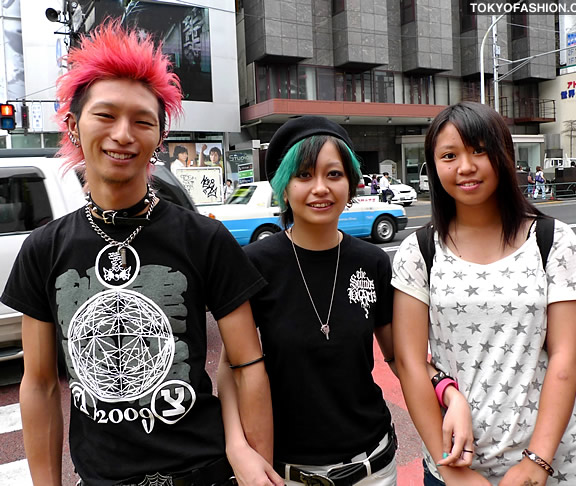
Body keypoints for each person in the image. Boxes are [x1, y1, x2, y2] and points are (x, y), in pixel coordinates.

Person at [0, 21, 275, 485]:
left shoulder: (203, 239)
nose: (123, 134)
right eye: (105, 115)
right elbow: (41, 383)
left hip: (203, 472)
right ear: (72, 125)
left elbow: (247, 365)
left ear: (160, 137)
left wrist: (256, 461)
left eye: (142, 120)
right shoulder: (44, 249)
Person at [216, 116, 474, 486]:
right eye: (303, 175)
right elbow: (231, 366)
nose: (320, 188)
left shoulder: (371, 262)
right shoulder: (257, 264)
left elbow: (400, 357)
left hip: (372, 467)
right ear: (283, 188)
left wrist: (447, 392)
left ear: (351, 184)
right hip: (285, 471)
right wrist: (237, 446)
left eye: (333, 174)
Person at [392, 102, 576, 485]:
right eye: (449, 156)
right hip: (455, 465)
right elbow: (408, 363)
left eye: (480, 150)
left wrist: (537, 461)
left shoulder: (552, 240)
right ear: (434, 167)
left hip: (558, 463)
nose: (465, 167)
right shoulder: (419, 251)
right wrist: (448, 470)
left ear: (504, 156)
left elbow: (565, 357)